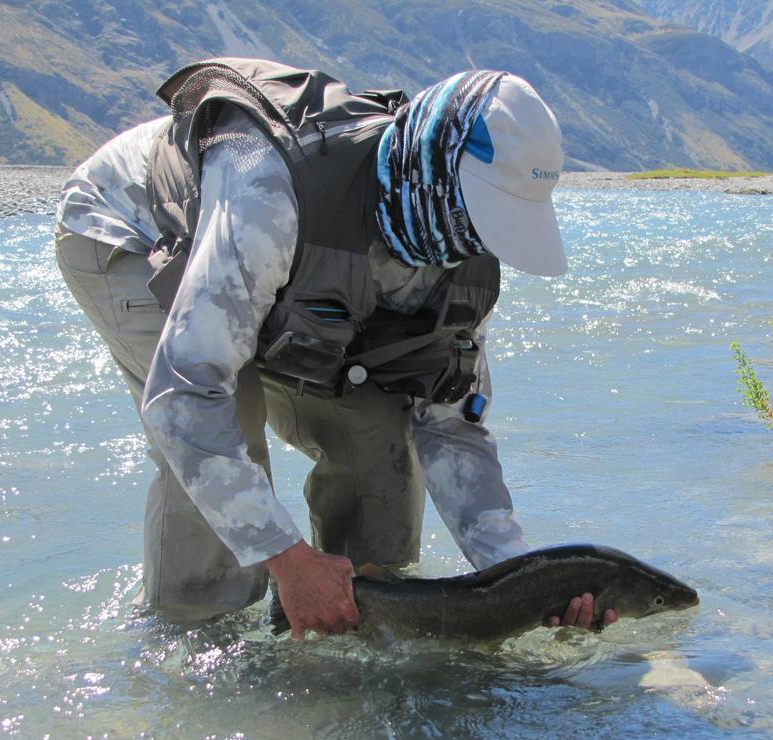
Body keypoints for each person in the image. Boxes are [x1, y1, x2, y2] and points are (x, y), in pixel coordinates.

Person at [55, 59, 617, 637]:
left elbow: (450, 427)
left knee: (380, 444)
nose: (478, 238)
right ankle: (192, 650)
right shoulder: (266, 195)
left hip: (292, 287)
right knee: (228, 439)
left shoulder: (460, 250)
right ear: (434, 173)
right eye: (479, 213)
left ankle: (351, 635)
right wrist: (286, 555)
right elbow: (186, 397)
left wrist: (520, 582)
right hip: (132, 227)